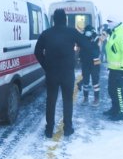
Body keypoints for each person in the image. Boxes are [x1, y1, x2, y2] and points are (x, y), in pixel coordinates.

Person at [34, 9, 87, 138]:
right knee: (67, 100)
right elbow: (85, 44)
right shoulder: (72, 32)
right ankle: (68, 128)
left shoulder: (46, 34)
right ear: (65, 19)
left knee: (51, 100)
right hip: (67, 73)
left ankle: (49, 130)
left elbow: (37, 51)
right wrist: (78, 56)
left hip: (52, 72)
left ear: (53, 20)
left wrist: (46, 66)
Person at [102, 16, 123, 121]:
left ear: (116, 22)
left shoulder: (122, 34)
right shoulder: (113, 33)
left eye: (110, 22)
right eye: (108, 22)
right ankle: (114, 109)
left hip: (120, 69)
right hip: (113, 68)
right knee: (111, 90)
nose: (108, 24)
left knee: (118, 91)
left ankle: (121, 112)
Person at [77, 25, 102, 105]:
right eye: (86, 31)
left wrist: (90, 41)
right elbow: (80, 48)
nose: (87, 33)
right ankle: (85, 98)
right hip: (85, 62)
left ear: (92, 31)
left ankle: (96, 99)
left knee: (95, 81)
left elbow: (97, 48)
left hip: (95, 62)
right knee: (86, 81)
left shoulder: (97, 38)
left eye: (89, 31)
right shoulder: (82, 38)